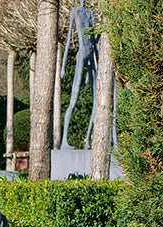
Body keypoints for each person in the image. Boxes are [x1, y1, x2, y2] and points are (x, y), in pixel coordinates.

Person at [60, 0, 98, 149]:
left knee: (96, 99)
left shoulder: (90, 14)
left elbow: (94, 41)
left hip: (91, 55)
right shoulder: (75, 13)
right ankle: (64, 141)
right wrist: (63, 66)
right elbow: (69, 39)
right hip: (81, 55)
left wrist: (97, 63)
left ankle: (88, 140)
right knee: (73, 99)